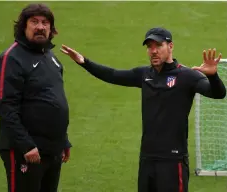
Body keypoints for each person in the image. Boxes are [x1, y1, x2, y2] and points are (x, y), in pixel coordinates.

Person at [60, 27, 226, 192]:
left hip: (172, 160)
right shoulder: (144, 74)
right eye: (149, 47)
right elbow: (112, 75)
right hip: (147, 158)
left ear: (170, 46)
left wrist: (212, 76)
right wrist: (84, 62)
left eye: (158, 46)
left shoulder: (187, 76)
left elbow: (218, 94)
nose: (153, 51)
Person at [0, 3, 72, 192]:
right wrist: (26, 145)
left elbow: (56, 100)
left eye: (45, 23)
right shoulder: (11, 58)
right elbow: (6, 107)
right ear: (23, 26)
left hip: (52, 149)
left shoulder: (52, 58)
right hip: (25, 150)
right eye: (34, 22)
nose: (40, 27)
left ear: (51, 29)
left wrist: (63, 140)